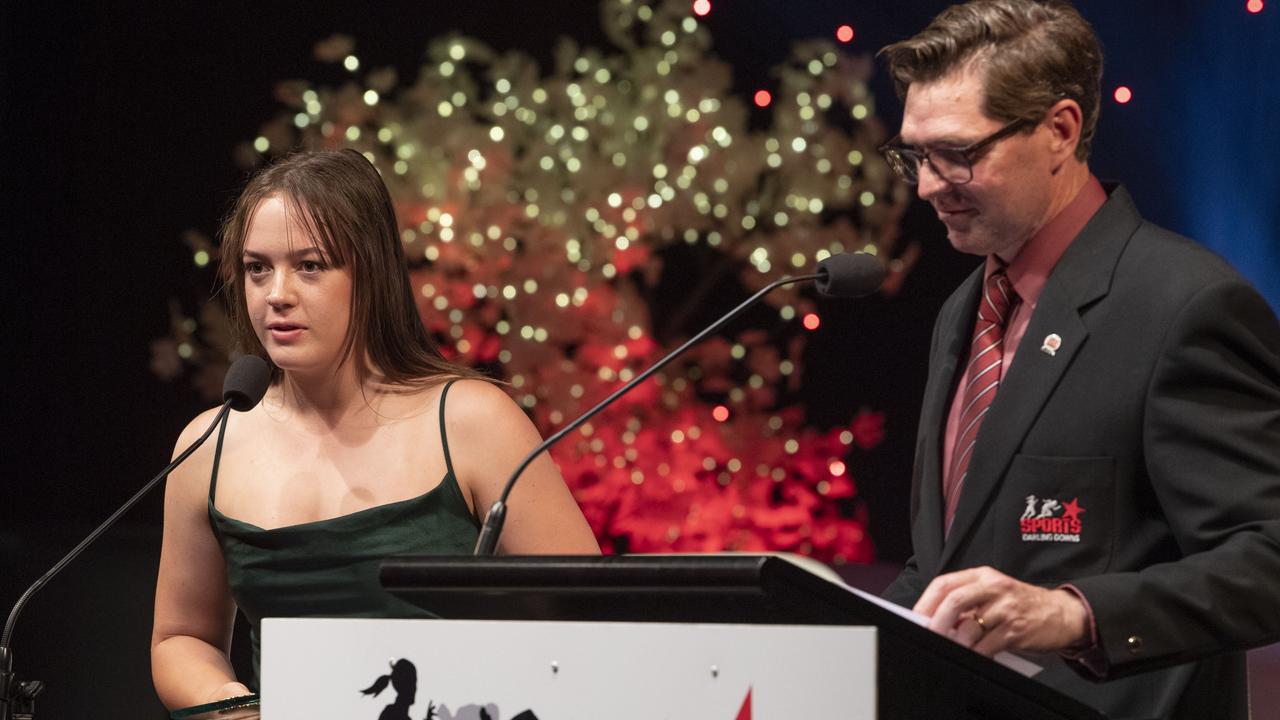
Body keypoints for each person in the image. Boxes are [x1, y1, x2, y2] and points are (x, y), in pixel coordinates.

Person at [875, 2, 1280, 718]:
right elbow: (947, 564)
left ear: (1060, 130)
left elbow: (1269, 558)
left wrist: (1075, 614)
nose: (929, 185)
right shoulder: (963, 309)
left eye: (959, 154)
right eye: (914, 155)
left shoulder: (1185, 305)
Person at [150, 149, 600, 709]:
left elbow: (590, 619)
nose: (276, 293)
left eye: (310, 265)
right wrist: (234, 705)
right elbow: (181, 638)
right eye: (257, 267)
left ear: (372, 272)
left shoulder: (471, 421)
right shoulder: (209, 445)